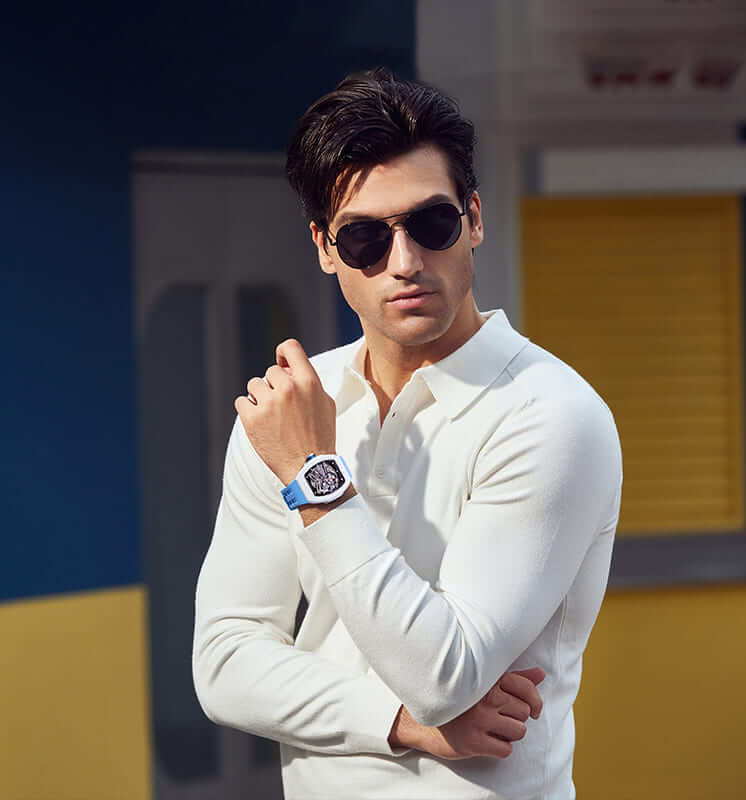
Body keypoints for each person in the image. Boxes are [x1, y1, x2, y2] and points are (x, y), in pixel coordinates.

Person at [193, 67, 622, 800]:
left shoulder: (550, 413)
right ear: (325, 248)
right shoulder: (294, 408)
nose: (405, 262)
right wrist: (399, 723)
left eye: (432, 224)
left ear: (474, 219)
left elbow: (445, 674)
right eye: (365, 237)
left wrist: (313, 474)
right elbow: (224, 664)